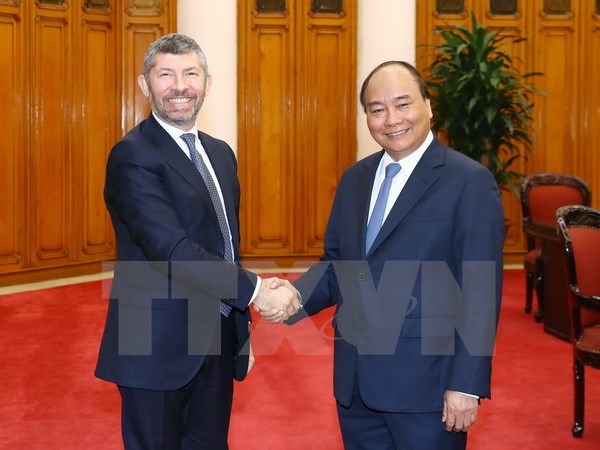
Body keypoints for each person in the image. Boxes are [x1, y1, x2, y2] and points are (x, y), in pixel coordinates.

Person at [266, 61, 505, 449]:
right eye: (377, 109)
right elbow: (339, 264)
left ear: (429, 106)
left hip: (427, 390)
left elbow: (480, 291)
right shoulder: (355, 178)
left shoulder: (468, 181)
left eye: (403, 104)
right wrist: (292, 296)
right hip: (355, 383)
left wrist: (466, 384)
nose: (391, 119)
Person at [95, 33, 300, 449]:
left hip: (215, 340)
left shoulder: (220, 154)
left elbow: (225, 246)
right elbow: (171, 250)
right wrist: (258, 291)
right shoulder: (133, 155)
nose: (179, 86)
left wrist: (239, 329)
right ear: (144, 84)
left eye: (190, 73)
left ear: (207, 82)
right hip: (154, 348)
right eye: (165, 75)